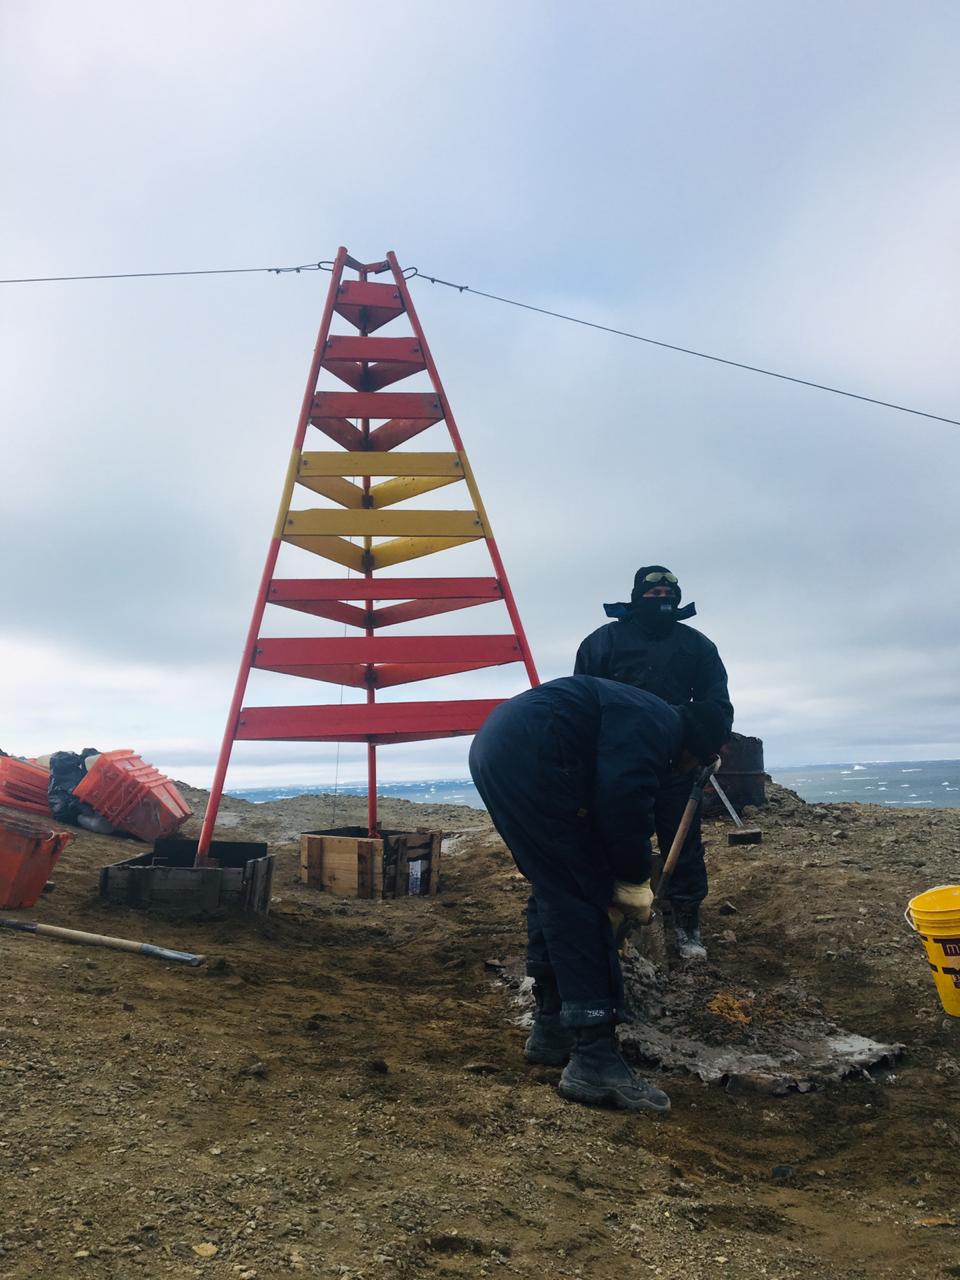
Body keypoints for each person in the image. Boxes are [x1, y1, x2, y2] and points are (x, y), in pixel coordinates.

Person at [468, 675, 728, 1113]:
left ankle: (552, 1026)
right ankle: (594, 1058)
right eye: (686, 767)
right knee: (580, 894)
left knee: (555, 882)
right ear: (693, 749)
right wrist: (630, 879)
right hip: (533, 752)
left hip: (499, 749)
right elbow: (623, 801)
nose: (680, 772)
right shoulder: (655, 727)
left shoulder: (646, 713)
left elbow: (617, 794)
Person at [574, 566, 733, 961]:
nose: (661, 597)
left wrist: (705, 746)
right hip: (617, 766)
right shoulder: (602, 643)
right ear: (634, 595)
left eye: (668, 591)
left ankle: (686, 923)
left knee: (685, 845)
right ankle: (616, 917)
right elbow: (580, 702)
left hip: (676, 763)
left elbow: (717, 703)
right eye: (653, 591)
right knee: (618, 838)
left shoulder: (696, 646)